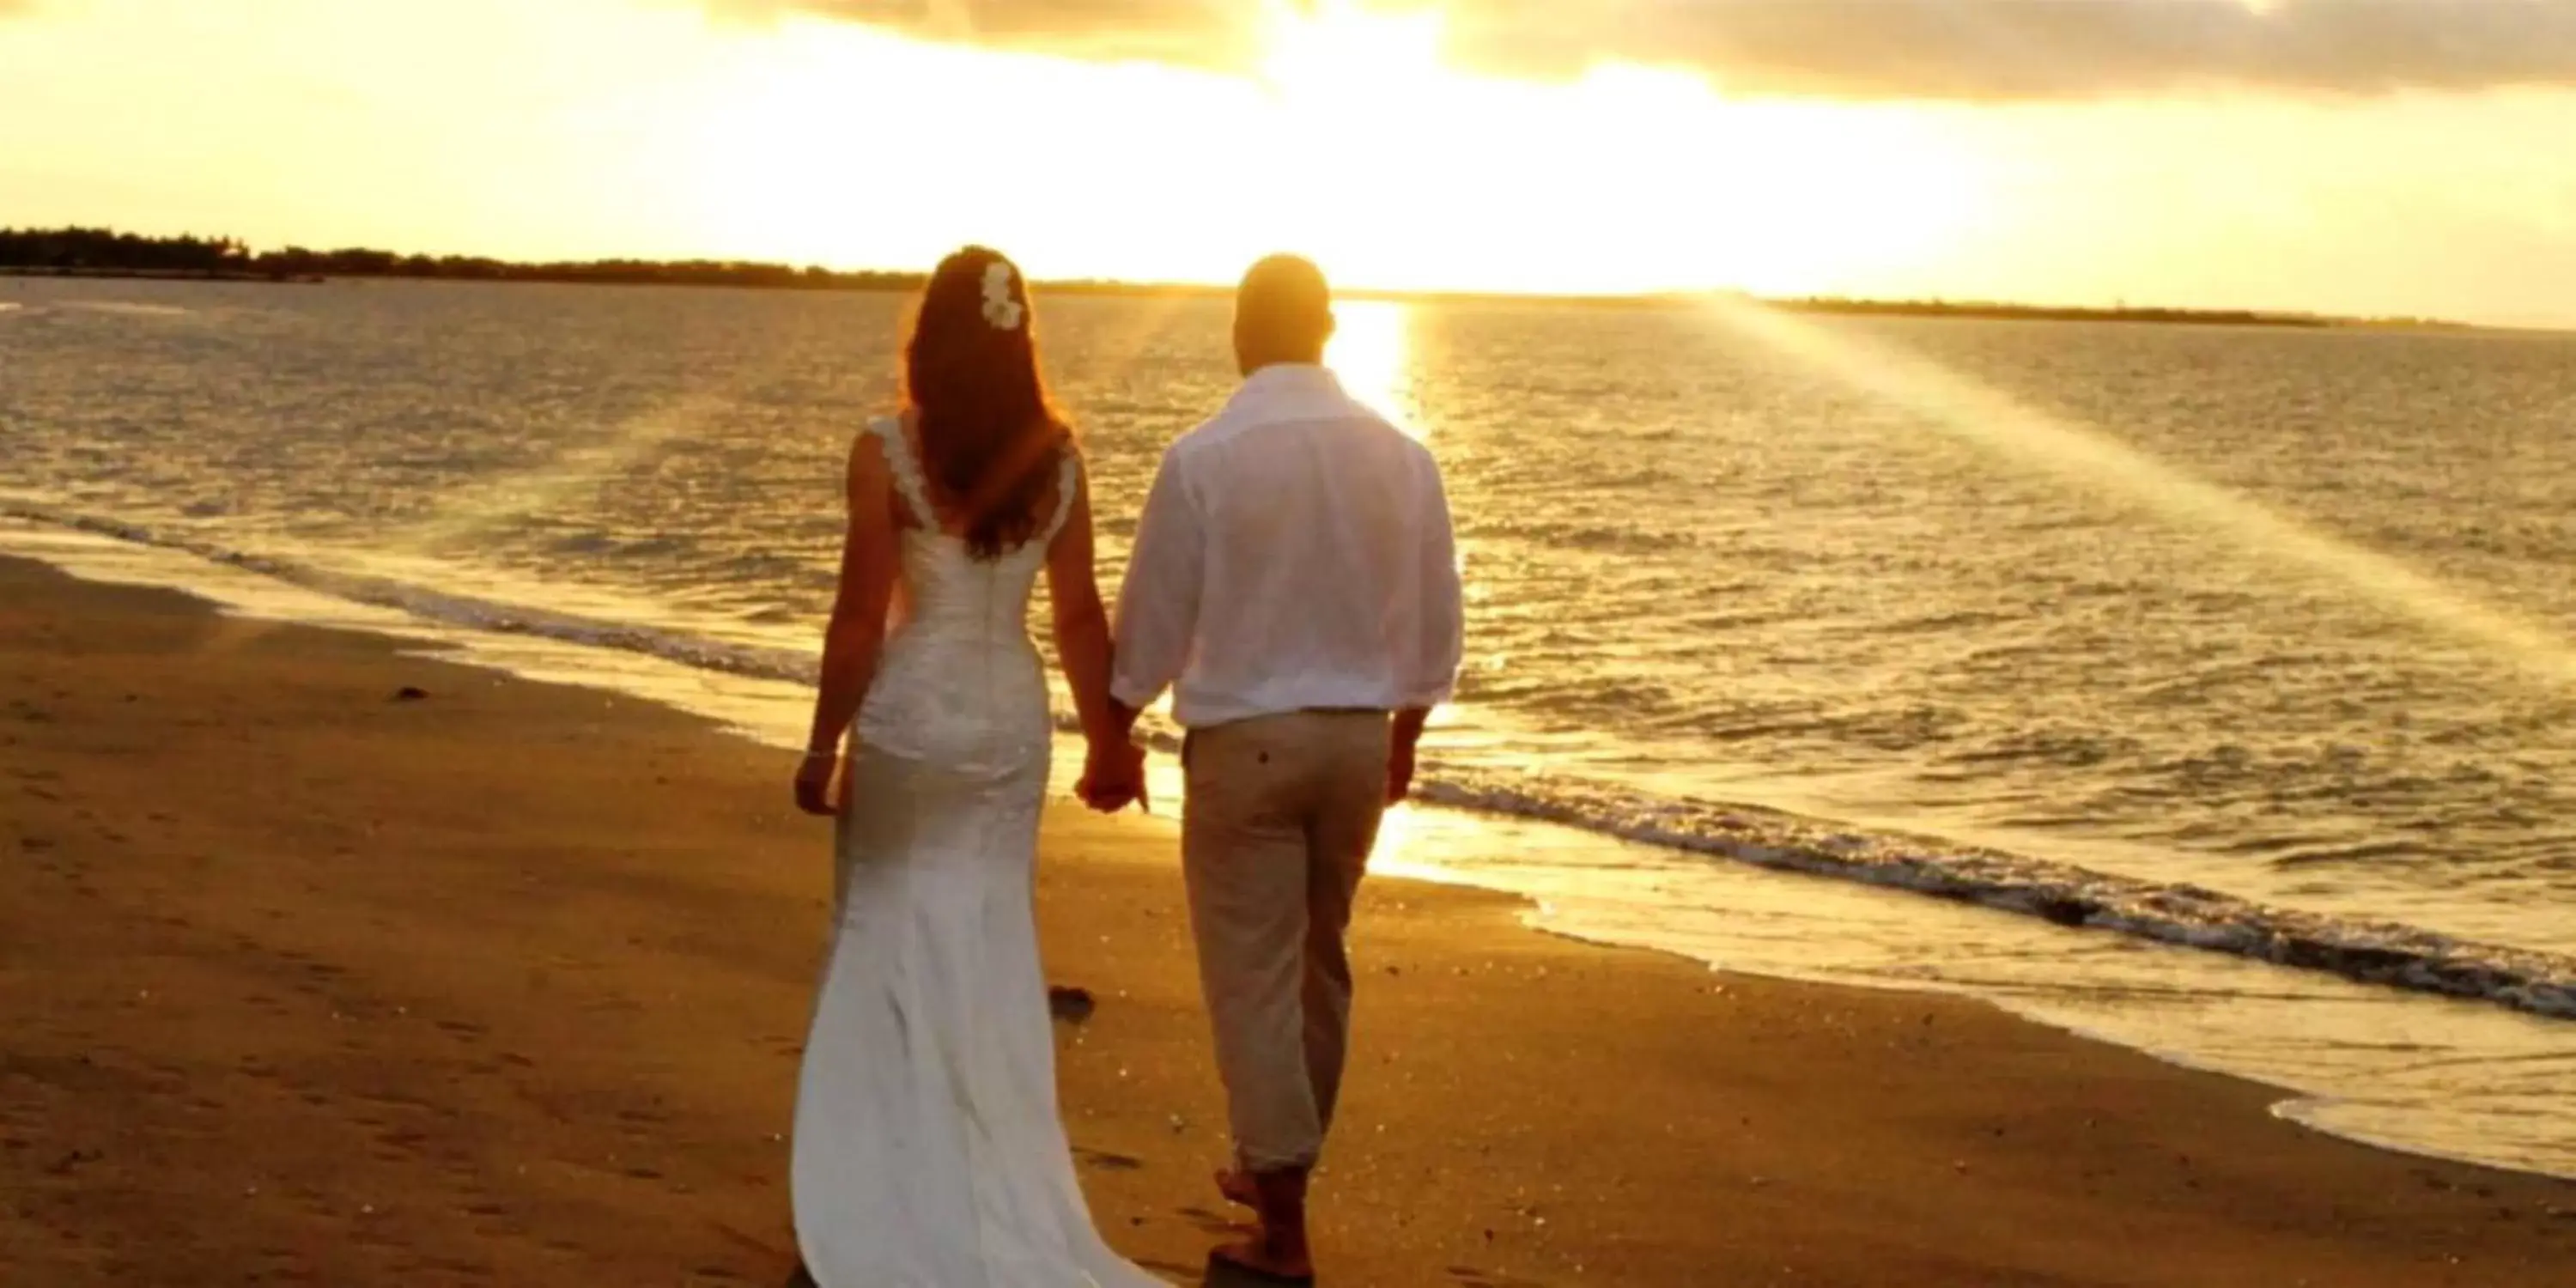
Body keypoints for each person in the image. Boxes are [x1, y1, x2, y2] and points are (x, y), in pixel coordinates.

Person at [789, 246, 1157, 1287]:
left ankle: (882, 1176)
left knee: (882, 924)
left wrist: (824, 743)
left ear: (929, 338)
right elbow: (1079, 618)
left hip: (912, 721)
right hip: (1006, 728)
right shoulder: (1061, 461)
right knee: (988, 937)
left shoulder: (885, 451)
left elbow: (861, 620)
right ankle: (980, 1169)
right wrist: (1110, 741)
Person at [1100, 254, 1466, 1284]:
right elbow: (1434, 615)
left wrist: (1115, 725)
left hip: (1249, 743)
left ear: (1240, 334)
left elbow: (1158, 616)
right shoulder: (1401, 456)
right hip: (1352, 737)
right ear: (1328, 330)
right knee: (1319, 968)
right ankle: (1276, 1173)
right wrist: (1404, 735)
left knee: (1253, 979)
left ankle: (1283, 1222)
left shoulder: (1207, 456)